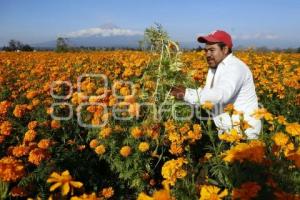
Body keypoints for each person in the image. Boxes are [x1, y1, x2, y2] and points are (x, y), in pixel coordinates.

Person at [171, 30, 261, 139]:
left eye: (212, 50)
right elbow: (207, 94)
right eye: (206, 50)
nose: (207, 54)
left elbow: (220, 95)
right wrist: (185, 91)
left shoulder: (235, 67)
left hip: (244, 134)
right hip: (229, 133)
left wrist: (186, 94)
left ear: (225, 49)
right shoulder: (216, 68)